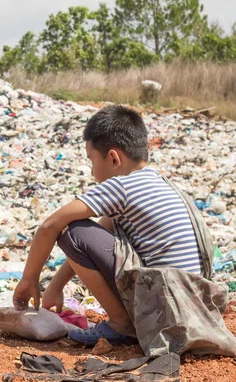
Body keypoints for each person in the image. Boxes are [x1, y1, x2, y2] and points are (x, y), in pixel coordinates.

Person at [13, 105, 203, 346]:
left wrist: (29, 279)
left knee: (72, 230)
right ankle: (126, 321)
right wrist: (56, 285)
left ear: (113, 158)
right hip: (192, 311)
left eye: (92, 160)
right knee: (82, 232)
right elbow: (99, 235)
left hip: (164, 313)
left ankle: (122, 324)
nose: (92, 171)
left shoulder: (122, 186)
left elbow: (50, 226)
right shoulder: (160, 183)